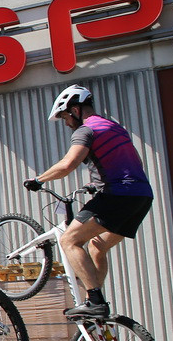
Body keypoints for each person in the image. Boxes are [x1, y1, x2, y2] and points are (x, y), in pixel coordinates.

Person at [24, 84, 153, 319]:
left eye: (65, 117)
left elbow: (68, 164)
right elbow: (134, 163)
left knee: (69, 240)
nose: (66, 123)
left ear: (75, 110)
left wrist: (38, 180)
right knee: (97, 246)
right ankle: (94, 303)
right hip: (142, 196)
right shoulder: (115, 127)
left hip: (117, 195)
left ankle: (95, 302)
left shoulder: (86, 130)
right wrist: (97, 183)